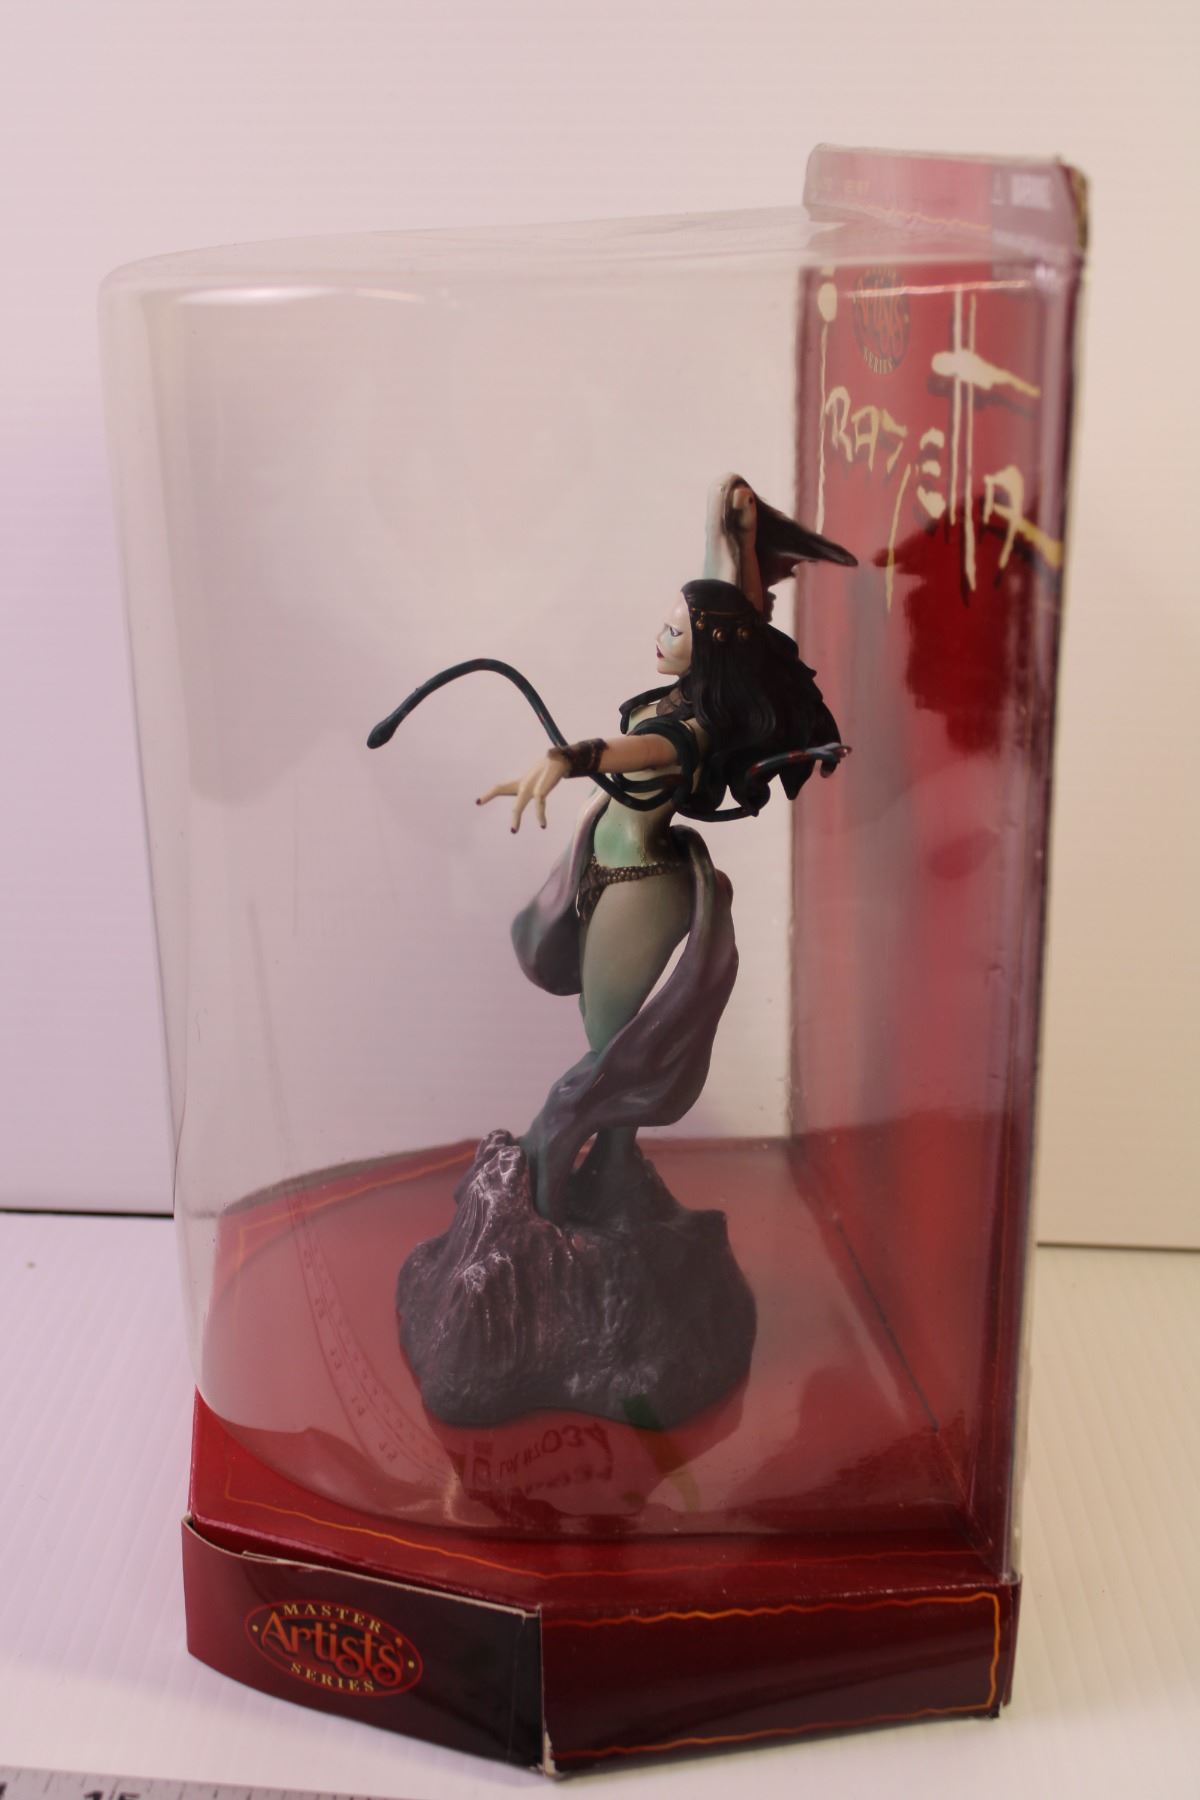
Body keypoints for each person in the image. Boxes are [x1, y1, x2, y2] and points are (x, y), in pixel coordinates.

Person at [478, 475, 856, 1220]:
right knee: (604, 1034)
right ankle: (613, 1164)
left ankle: (557, 1162)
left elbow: (636, 749)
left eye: (677, 632)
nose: (661, 635)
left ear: (705, 648)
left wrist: (566, 759)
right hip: (603, 866)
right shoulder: (695, 681)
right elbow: (729, 606)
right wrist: (731, 530)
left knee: (608, 1049)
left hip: (640, 882)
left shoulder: (692, 727)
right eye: (666, 622)